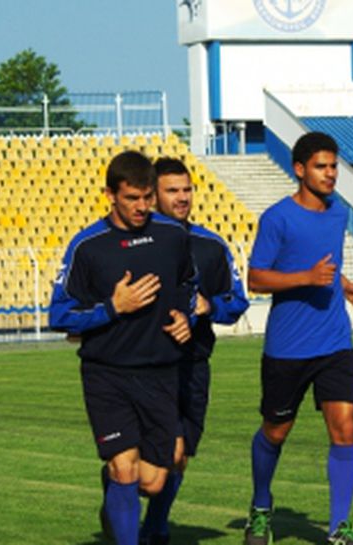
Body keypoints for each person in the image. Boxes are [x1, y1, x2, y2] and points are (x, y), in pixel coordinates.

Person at [48, 150, 196, 545]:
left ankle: (115, 491)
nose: (142, 206)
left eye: (147, 197)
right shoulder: (88, 246)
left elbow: (189, 289)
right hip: (106, 373)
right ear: (110, 194)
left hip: (162, 372)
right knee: (125, 470)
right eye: (132, 198)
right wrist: (115, 307)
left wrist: (187, 319)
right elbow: (60, 315)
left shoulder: (172, 236)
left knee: (152, 480)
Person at [243, 131, 353, 545]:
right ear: (299, 170)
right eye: (322, 166)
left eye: (334, 166)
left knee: (345, 428)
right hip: (288, 347)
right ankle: (261, 507)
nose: (331, 173)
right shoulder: (277, 218)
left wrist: (345, 285)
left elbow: (327, 267)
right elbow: (256, 278)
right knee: (275, 431)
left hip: (334, 342)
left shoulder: (337, 213)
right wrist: (306, 278)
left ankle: (338, 528)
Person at [137, 157, 250, 545]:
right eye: (173, 191)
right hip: (145, 365)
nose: (182, 198)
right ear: (153, 196)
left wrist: (210, 306)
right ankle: (146, 518)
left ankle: (153, 523)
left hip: (194, 363)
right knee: (158, 454)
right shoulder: (134, 244)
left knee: (180, 454)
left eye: (187, 190)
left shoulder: (210, 246)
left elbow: (237, 302)